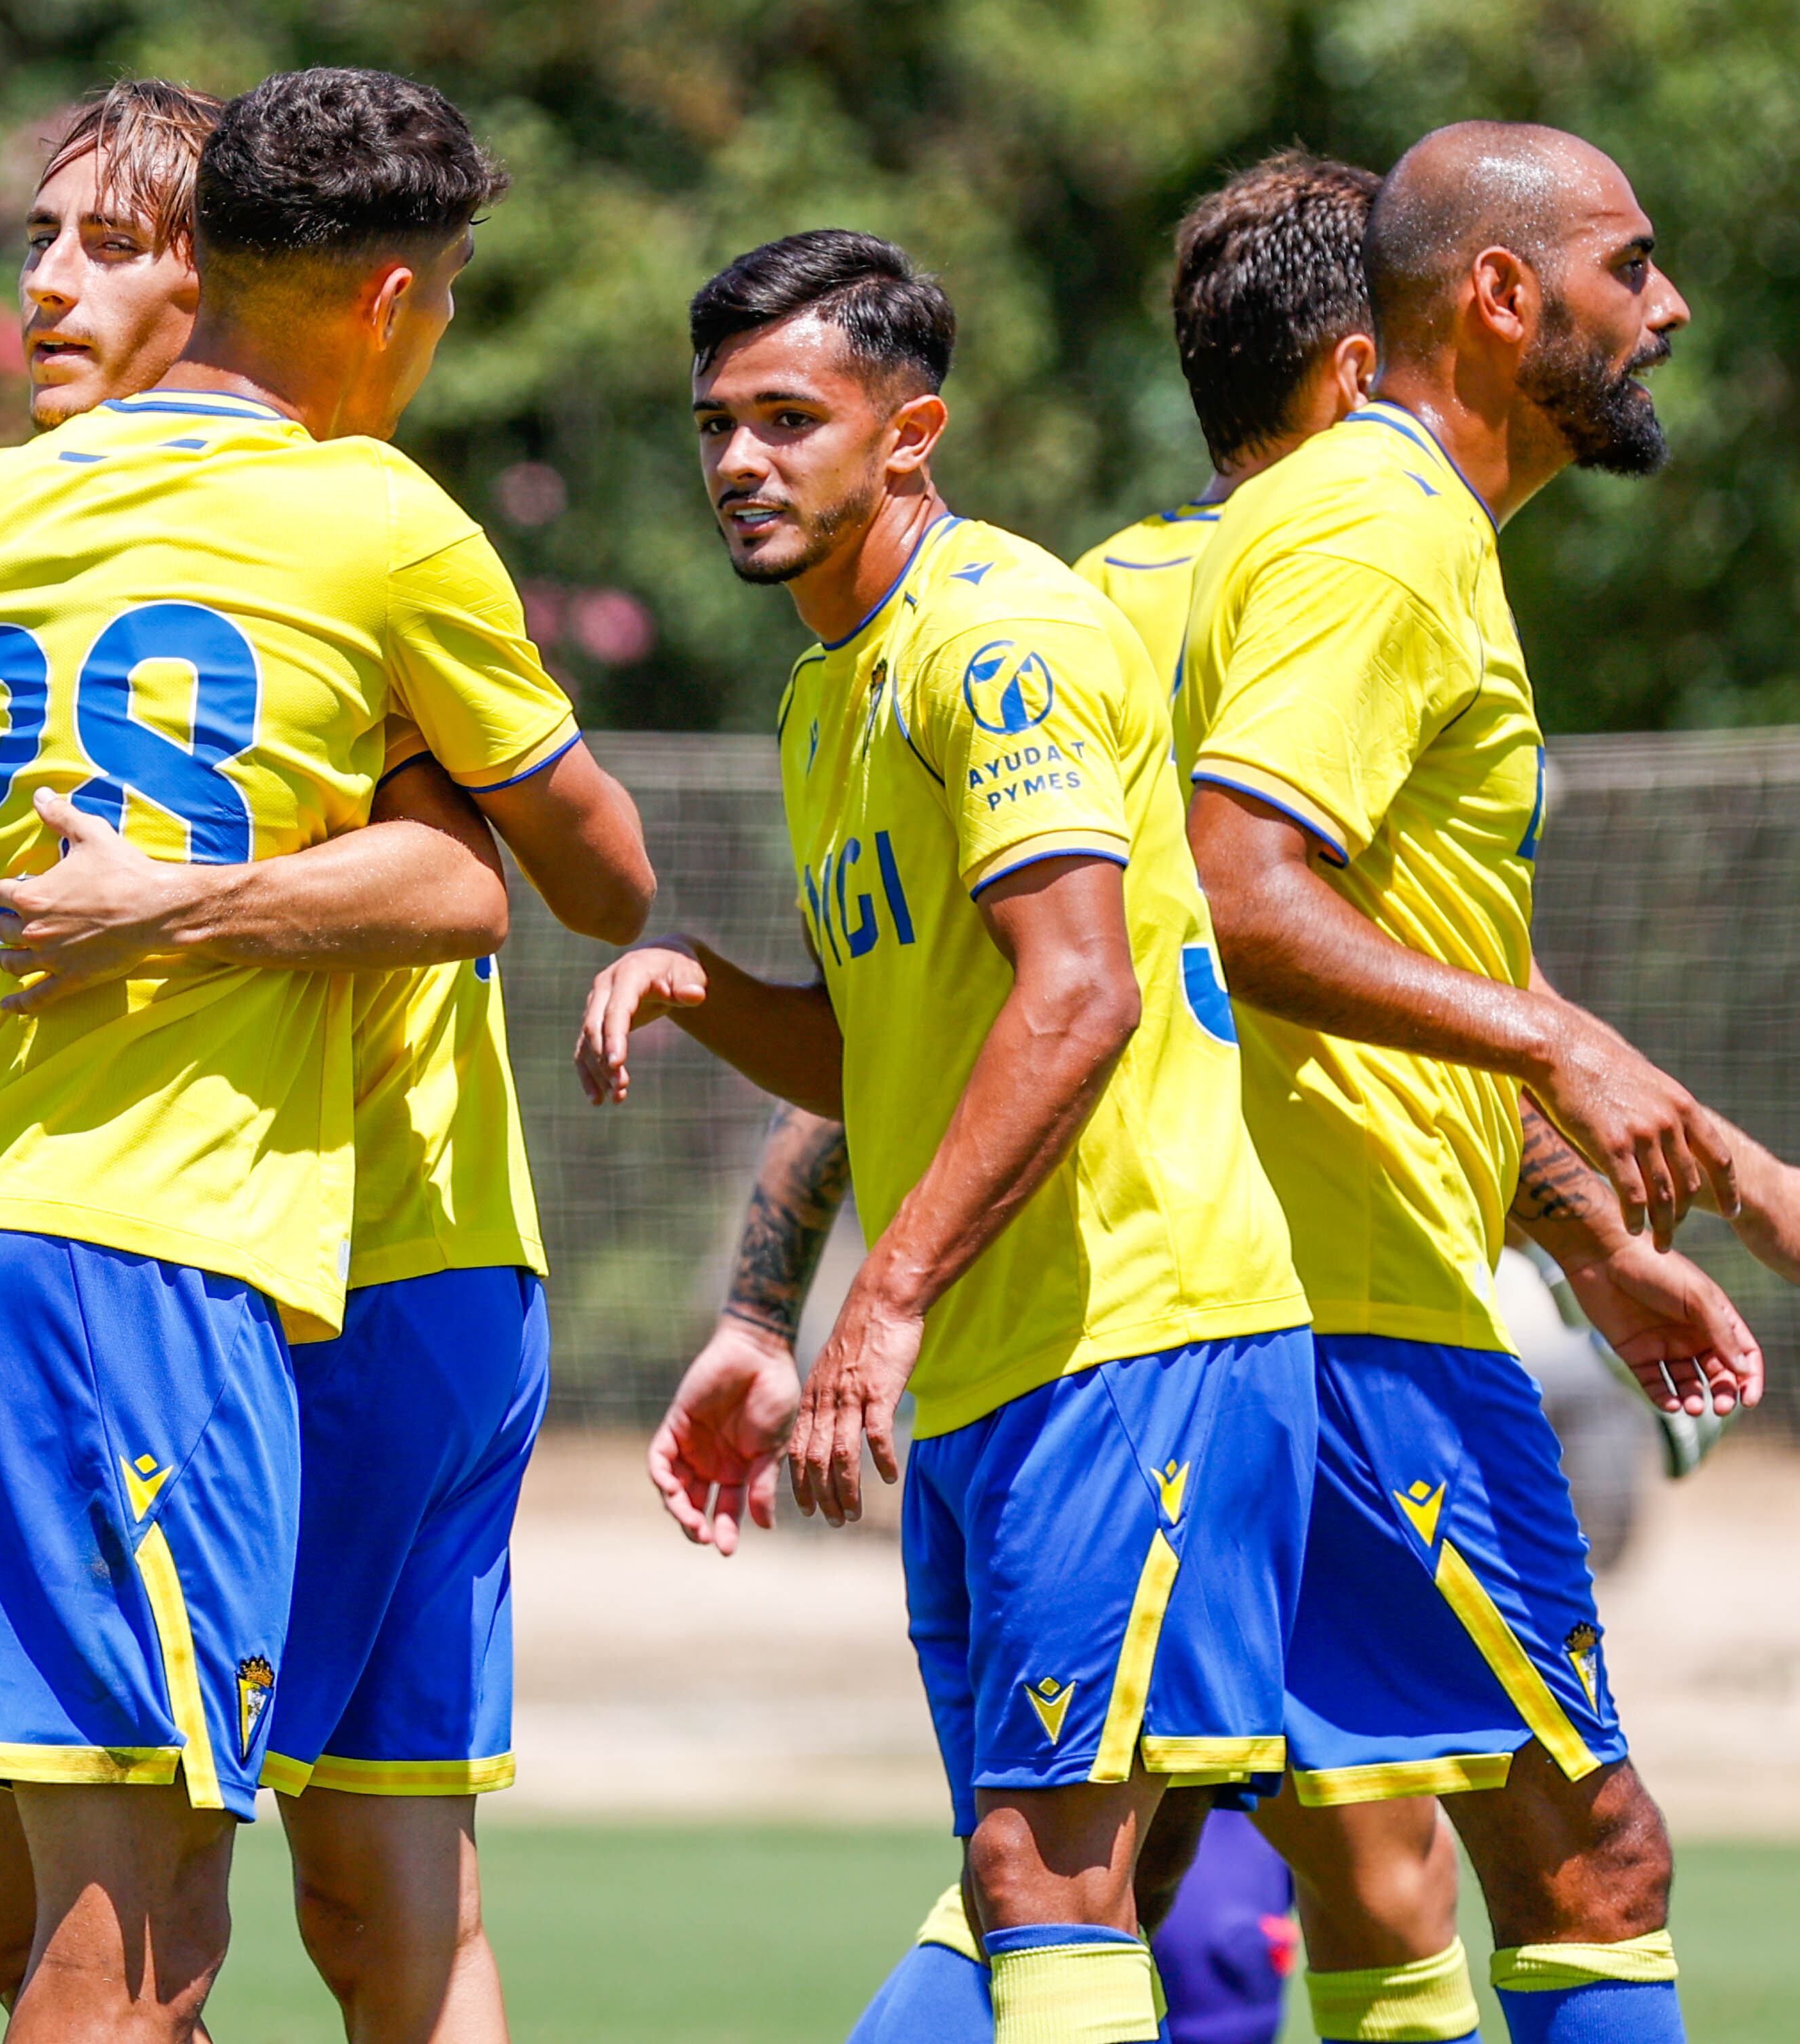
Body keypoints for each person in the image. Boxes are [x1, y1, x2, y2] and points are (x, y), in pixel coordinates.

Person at [0, 68, 651, 2044]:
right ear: (399, 298)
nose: (50, 283)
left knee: (23, 1926)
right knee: (138, 1938)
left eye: (106, 242)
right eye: (35, 241)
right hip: (150, 1265)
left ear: (204, 275)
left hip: (60, 1251)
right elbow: (546, 884)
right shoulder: (360, 531)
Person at [581, 228, 1316, 2044]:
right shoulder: (826, 689)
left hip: (1132, 1336)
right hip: (1006, 1369)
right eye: (714, 425)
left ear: (907, 434)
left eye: (786, 418)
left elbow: (1080, 992)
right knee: (1069, 1875)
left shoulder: (994, 637)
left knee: (1046, 1872)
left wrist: (880, 1296)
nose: (739, 462)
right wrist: (696, 988)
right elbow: (876, 1042)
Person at [1179, 121, 1767, 2044]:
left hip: (1277, 1293)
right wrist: (1560, 1044)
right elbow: (1243, 896)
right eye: (1628, 264)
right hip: (1350, 1315)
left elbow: (1396, 938)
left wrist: (1599, 1230)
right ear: (1500, 298)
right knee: (1583, 1861)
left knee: (1135, 1867)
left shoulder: (1338, 523)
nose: (1663, 307)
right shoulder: (1380, 527)